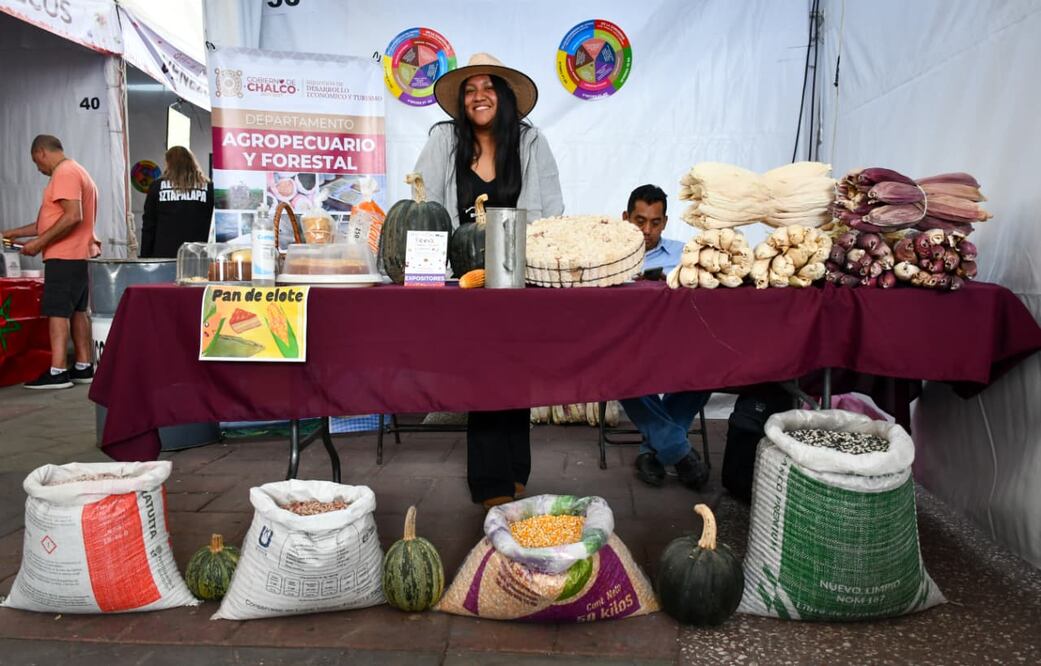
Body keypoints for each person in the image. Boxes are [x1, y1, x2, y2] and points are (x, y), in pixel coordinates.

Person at [414, 53, 564, 508]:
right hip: (464, 280)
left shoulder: (530, 141)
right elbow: (424, 206)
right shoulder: (444, 139)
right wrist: (436, 270)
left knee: (517, 373)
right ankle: (490, 483)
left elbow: (550, 209)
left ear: (504, 96)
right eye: (470, 89)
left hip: (518, 276)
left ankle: (516, 473)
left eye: (488, 87)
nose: (479, 96)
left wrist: (530, 264)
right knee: (482, 375)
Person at [619, 185, 711, 489]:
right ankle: (678, 452)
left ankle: (652, 452)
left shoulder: (685, 254)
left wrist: (670, 284)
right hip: (631, 345)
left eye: (655, 222)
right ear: (625, 218)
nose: (647, 230)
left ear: (665, 222)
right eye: (639, 221)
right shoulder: (608, 258)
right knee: (618, 370)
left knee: (709, 368)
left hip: (677, 345)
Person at [2, 135, 98, 389]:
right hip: (79, 254)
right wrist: (12, 233)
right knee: (77, 311)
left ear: (42, 152)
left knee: (57, 312)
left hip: (64, 256)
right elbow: (46, 223)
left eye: (36, 162)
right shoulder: (77, 170)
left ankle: (57, 371)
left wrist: (39, 244)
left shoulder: (64, 173)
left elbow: (72, 216)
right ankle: (83, 365)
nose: (38, 168)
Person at [141, 146, 214, 258]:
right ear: (192, 162)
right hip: (198, 256)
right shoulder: (208, 187)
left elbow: (149, 225)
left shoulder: (157, 187)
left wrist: (145, 257)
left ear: (168, 164)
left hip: (164, 255)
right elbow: (214, 224)